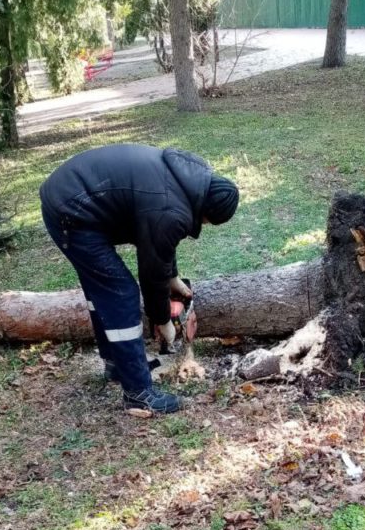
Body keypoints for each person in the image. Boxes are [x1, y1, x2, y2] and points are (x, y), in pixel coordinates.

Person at [40, 144, 239, 414]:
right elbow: (152, 270)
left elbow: (158, 244)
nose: (201, 226)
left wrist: (173, 277)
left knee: (103, 292)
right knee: (120, 293)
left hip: (72, 192)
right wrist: (163, 320)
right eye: (206, 222)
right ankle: (138, 393)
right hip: (73, 211)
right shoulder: (170, 211)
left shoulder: (186, 180)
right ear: (205, 213)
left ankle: (117, 363)